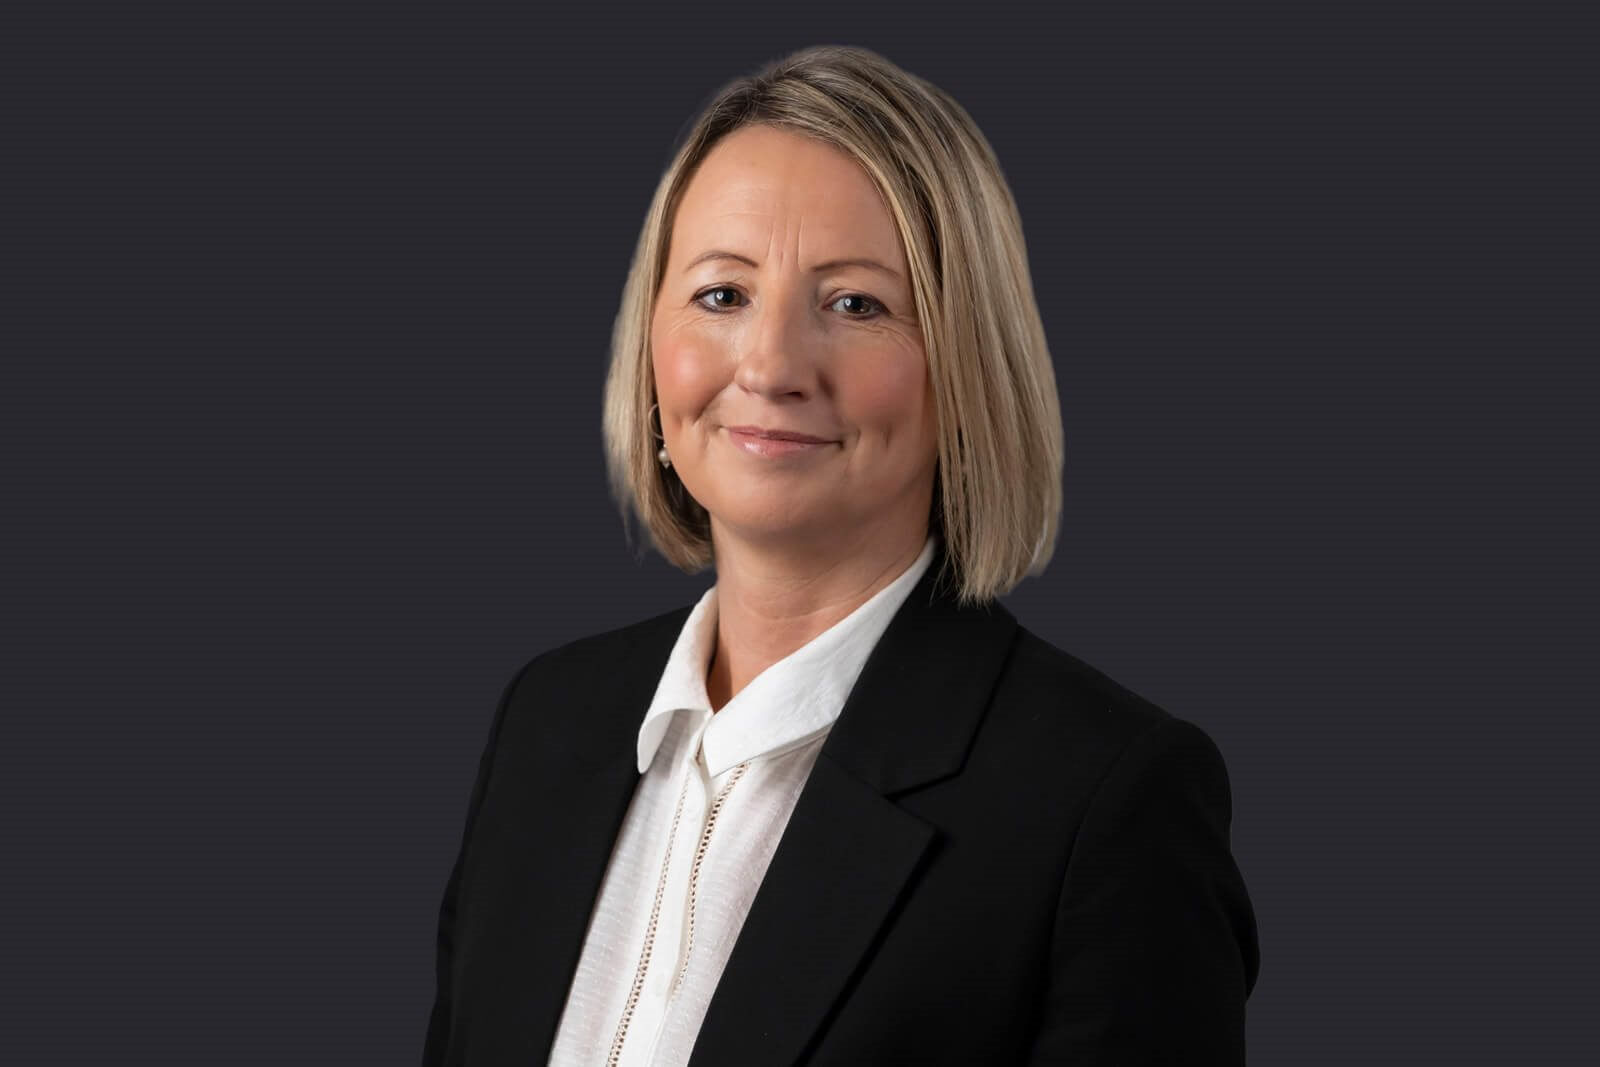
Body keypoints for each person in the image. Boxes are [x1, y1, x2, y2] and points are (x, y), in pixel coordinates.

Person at [422, 44, 1259, 1066]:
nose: (771, 365)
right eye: (722, 294)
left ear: (965, 363)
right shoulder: (548, 724)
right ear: (651, 345)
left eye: (855, 303)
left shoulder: (1102, 803)